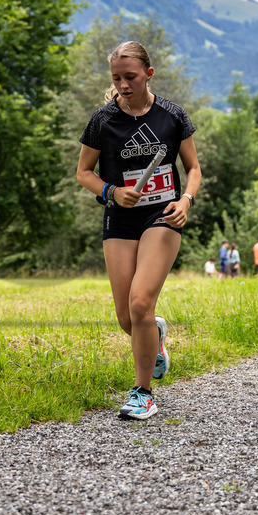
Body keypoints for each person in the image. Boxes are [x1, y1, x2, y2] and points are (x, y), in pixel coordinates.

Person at [77, 41, 201, 421]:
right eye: (116, 78)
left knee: (140, 303)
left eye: (130, 77)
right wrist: (111, 192)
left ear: (149, 74)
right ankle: (156, 337)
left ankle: (143, 392)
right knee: (127, 319)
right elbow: (83, 173)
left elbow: (193, 169)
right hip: (121, 218)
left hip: (162, 215)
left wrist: (185, 201)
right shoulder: (102, 120)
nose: (123, 84)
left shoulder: (172, 115)